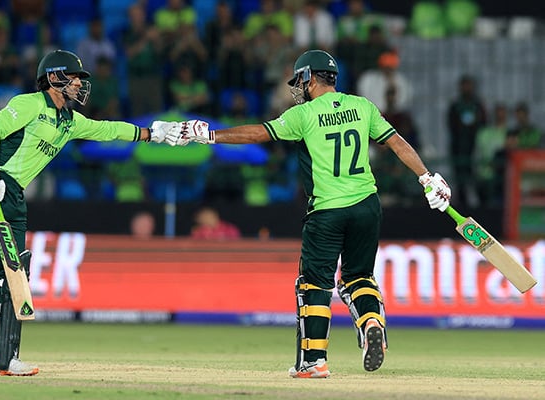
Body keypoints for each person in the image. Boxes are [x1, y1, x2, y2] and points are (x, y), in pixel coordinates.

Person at [0, 49, 182, 376]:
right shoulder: (29, 103)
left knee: (11, 274)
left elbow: (109, 131)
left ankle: (0, 358)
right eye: (74, 78)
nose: (79, 84)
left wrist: (152, 132)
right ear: (54, 77)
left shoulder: (70, 122)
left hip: (14, 196)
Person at [167, 50, 452, 377]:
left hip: (327, 211)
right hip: (367, 206)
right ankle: (371, 320)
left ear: (312, 78)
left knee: (315, 284)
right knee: (359, 277)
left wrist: (210, 135)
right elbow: (397, 142)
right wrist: (426, 177)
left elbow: (260, 133)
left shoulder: (304, 115)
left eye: (300, 79)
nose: (297, 87)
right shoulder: (363, 106)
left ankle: (314, 361)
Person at [447, 75, 486, 207]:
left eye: (469, 85)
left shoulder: (477, 105)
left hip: (475, 147)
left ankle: (482, 202)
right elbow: (451, 125)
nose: (467, 88)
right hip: (459, 147)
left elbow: (483, 124)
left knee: (476, 175)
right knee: (460, 176)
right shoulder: (456, 105)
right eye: (464, 85)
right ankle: (462, 202)